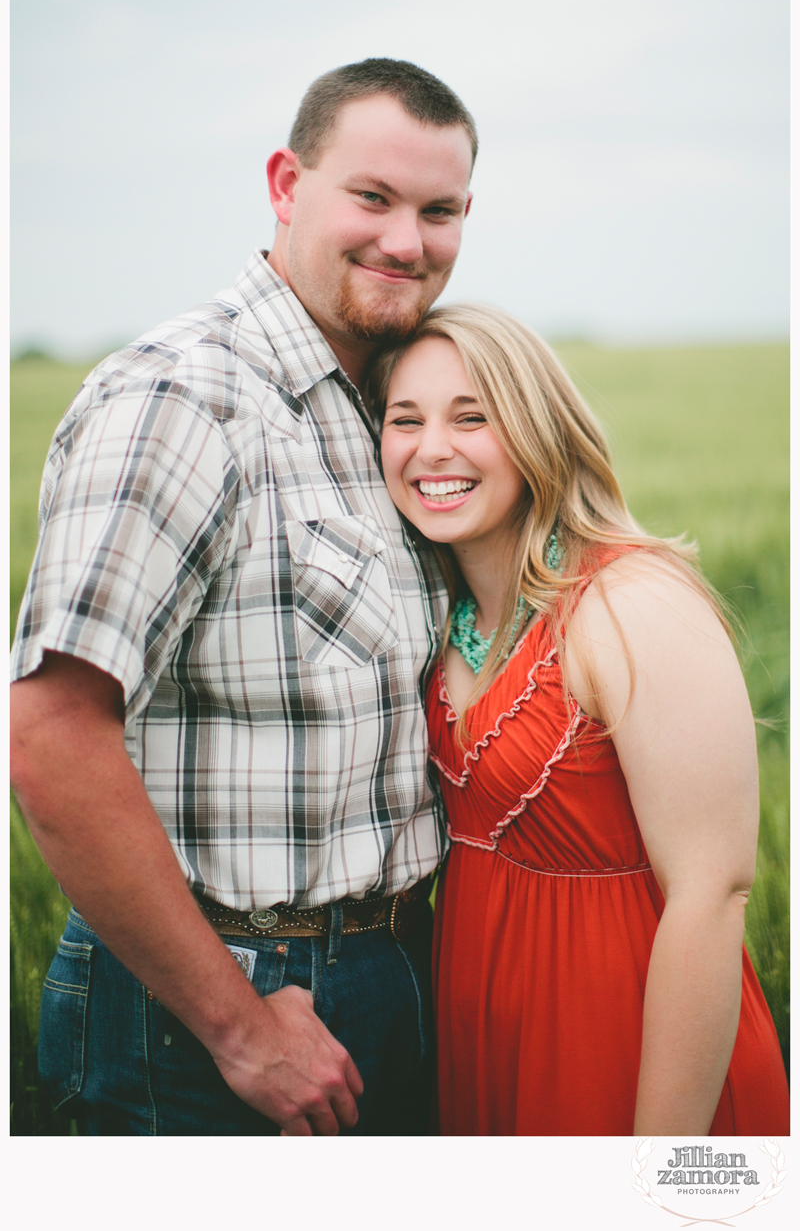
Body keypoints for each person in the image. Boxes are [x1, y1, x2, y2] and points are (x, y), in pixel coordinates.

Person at [9, 58, 477, 1136]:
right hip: (221, 997)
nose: (406, 241)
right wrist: (238, 1025)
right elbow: (49, 732)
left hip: (385, 970)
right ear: (284, 183)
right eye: (372, 197)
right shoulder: (186, 398)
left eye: (438, 210)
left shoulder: (382, 406)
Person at [369, 302, 790, 1135]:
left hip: (628, 1050)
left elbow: (713, 892)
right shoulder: (441, 615)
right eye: (403, 419)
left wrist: (654, 1168)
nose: (431, 449)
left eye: (472, 417)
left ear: (536, 430)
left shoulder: (631, 605)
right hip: (490, 1050)